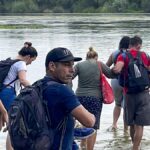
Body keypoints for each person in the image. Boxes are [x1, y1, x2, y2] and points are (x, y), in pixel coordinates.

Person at [42, 47, 96, 150]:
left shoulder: (36, 87)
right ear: (52, 66)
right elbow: (89, 122)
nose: (72, 70)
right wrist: (92, 116)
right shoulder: (62, 91)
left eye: (72, 65)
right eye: (67, 65)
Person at [73, 47, 115, 150]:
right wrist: (116, 68)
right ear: (96, 57)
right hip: (95, 98)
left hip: (79, 97)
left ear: (86, 57)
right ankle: (90, 148)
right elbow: (110, 74)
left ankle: (82, 145)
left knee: (84, 121)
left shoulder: (79, 65)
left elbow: (70, 76)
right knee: (93, 125)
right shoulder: (99, 64)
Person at [113, 36, 150, 150]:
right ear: (139, 45)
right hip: (144, 93)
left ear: (130, 45)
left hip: (128, 93)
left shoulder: (123, 56)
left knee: (131, 123)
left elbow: (117, 69)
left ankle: (134, 146)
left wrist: (113, 71)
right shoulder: (144, 55)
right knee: (140, 126)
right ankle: (136, 147)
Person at [0, 42, 38, 150]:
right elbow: (23, 80)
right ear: (28, 57)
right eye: (32, 60)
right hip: (8, 93)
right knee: (14, 124)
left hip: (1, 92)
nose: (30, 63)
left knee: (1, 120)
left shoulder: (11, 60)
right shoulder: (21, 64)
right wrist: (35, 89)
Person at [106, 36, 130, 132]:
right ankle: (125, 129)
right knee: (126, 106)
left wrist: (112, 73)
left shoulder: (114, 53)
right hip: (127, 81)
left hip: (115, 81)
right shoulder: (131, 54)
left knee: (117, 104)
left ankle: (114, 124)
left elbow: (106, 66)